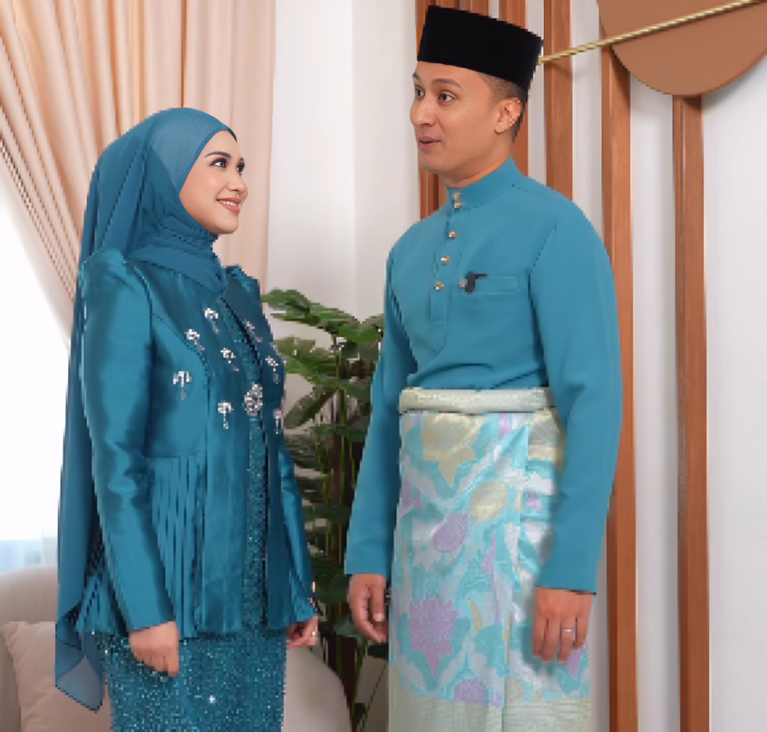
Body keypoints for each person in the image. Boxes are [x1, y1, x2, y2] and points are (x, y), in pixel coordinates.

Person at [346, 7, 622, 730]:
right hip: (425, 552)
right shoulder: (408, 251)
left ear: (506, 112)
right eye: (418, 92)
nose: (420, 113)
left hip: (523, 551)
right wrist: (368, 551)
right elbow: (389, 411)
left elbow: (593, 403)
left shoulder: (557, 228)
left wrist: (571, 568)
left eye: (445, 95)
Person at [55, 108, 319, 731]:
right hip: (166, 602)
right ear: (164, 173)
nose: (239, 183)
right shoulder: (124, 285)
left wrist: (296, 585)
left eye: (241, 166)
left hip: (254, 605)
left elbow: (273, 451)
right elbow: (115, 461)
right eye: (218, 164)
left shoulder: (238, 294)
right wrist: (147, 609)